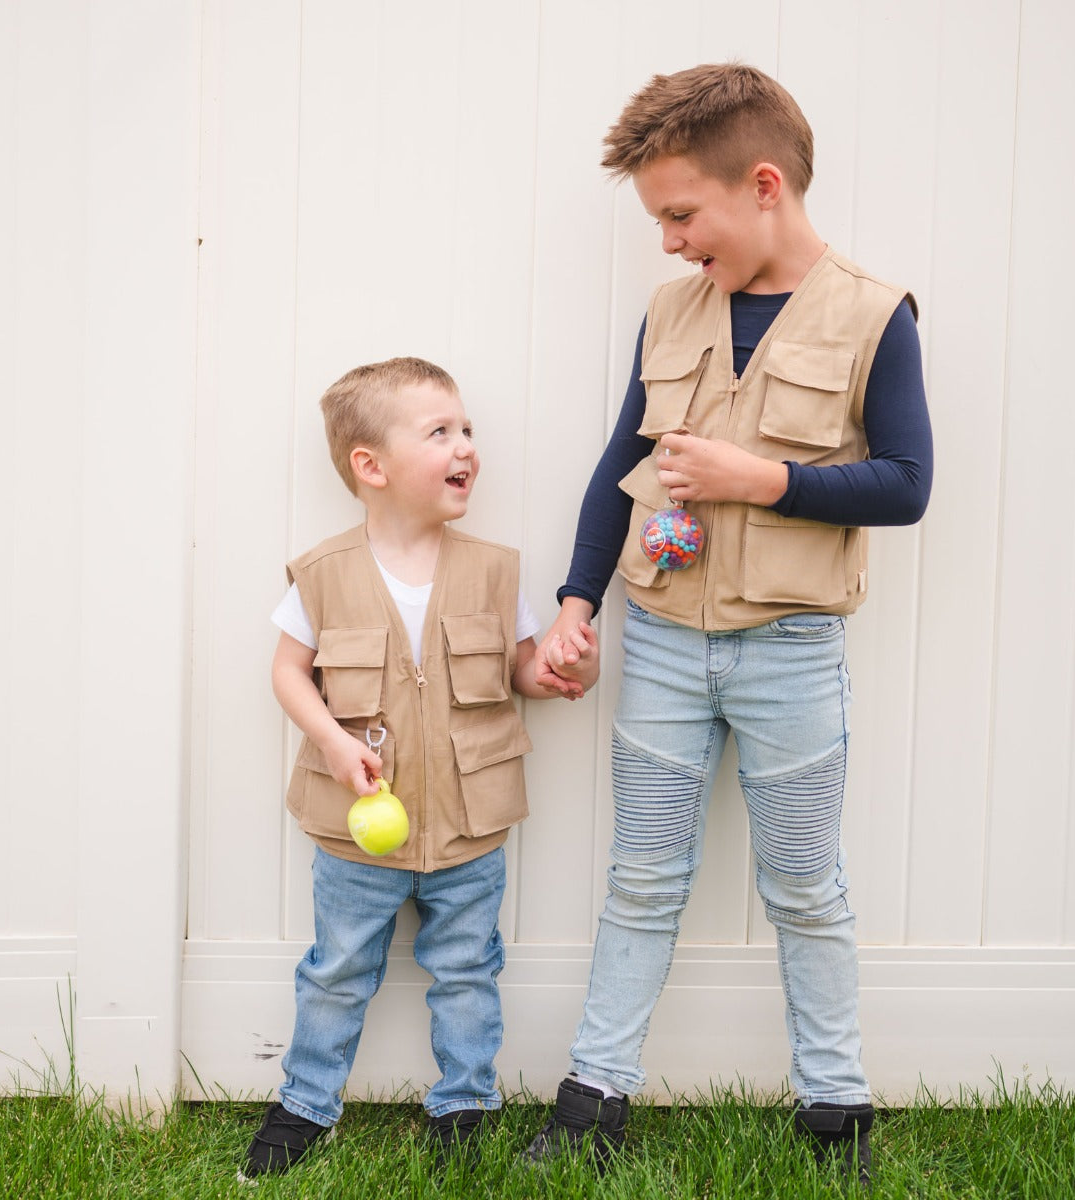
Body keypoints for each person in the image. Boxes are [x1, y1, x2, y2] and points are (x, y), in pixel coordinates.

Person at [524, 63, 932, 1184]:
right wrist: (576, 603)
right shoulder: (669, 310)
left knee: (806, 884)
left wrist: (763, 481)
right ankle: (592, 1096)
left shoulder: (873, 316)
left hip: (790, 654)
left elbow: (905, 486)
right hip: (660, 646)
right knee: (642, 877)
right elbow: (623, 465)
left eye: (678, 215)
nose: (667, 242)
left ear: (763, 186)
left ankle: (836, 1108)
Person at [241, 356, 598, 1180]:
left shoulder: (493, 570)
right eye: (440, 432)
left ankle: (465, 1105)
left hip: (470, 827)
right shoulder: (323, 574)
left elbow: (519, 668)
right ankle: (304, 1103)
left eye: (467, 429)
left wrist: (554, 669)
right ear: (371, 466)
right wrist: (334, 742)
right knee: (336, 970)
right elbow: (288, 672)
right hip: (354, 830)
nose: (465, 445)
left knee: (469, 971)